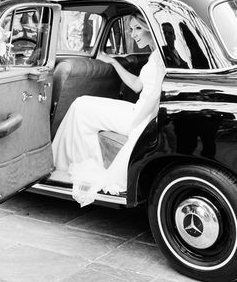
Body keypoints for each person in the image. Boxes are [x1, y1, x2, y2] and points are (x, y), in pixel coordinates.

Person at [51, 13, 165, 206]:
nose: (133, 34)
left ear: (149, 28)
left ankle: (67, 163)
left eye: (138, 28)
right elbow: (137, 86)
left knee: (81, 105)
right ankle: (77, 159)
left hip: (140, 117)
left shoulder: (158, 57)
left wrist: (140, 124)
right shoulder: (157, 54)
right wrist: (113, 62)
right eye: (131, 29)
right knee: (82, 104)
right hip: (138, 111)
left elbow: (153, 97)